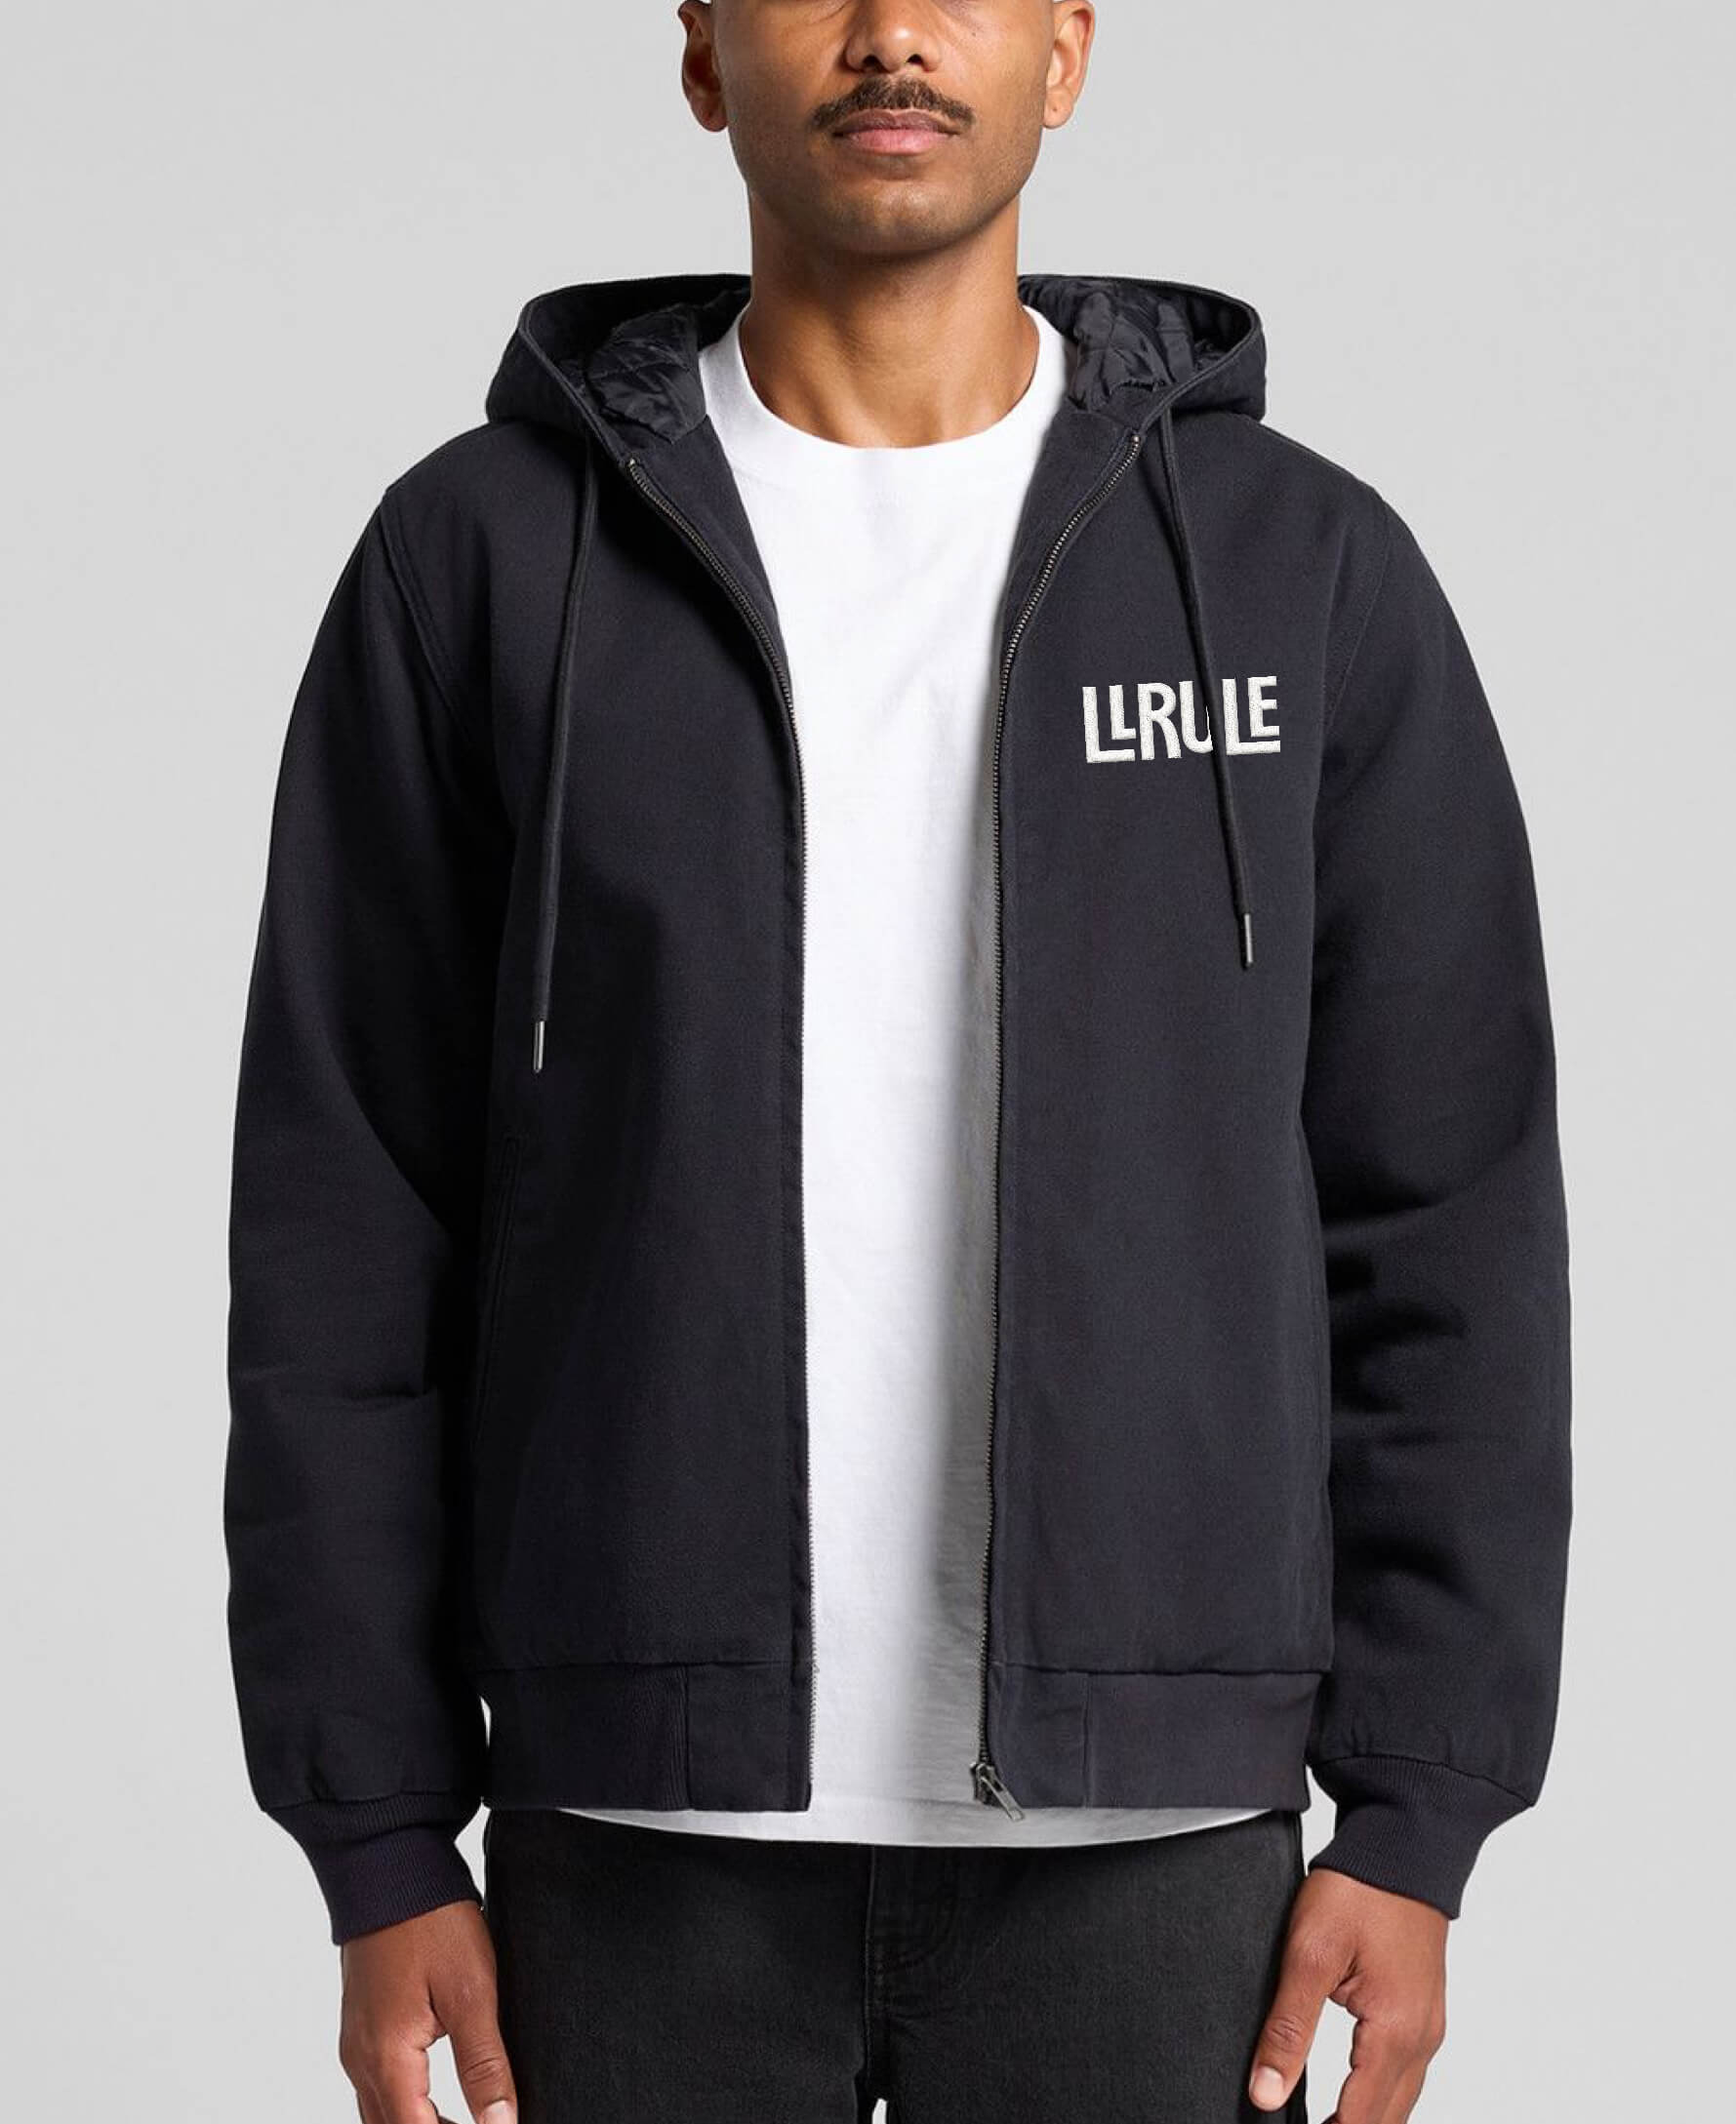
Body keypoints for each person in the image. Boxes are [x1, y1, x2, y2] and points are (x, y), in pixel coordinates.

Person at [222, 4, 1573, 2119]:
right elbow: (344, 1226)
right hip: (632, 1833)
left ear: (1065, 50)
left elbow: (1448, 1220)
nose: (888, 34)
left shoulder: (1301, 573)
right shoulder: (475, 560)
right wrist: (378, 1835)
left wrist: (1414, 1813)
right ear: (700, 56)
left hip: (1151, 1850)